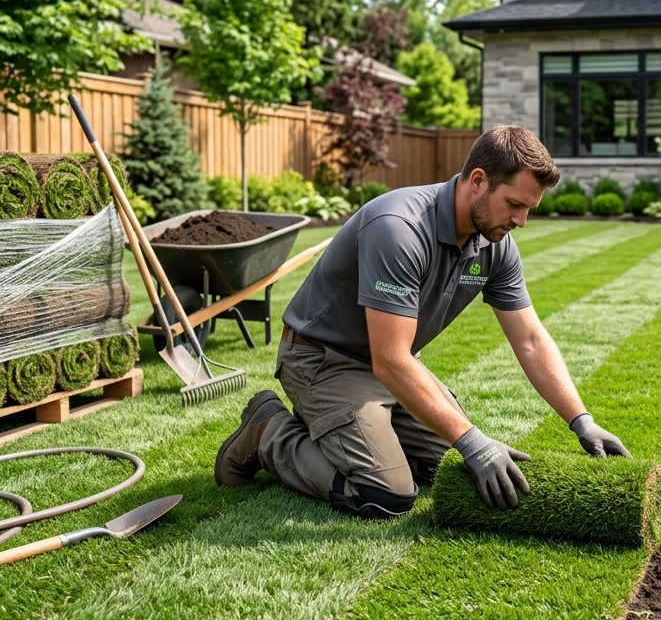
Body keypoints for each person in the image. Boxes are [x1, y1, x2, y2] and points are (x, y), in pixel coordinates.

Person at [214, 125, 630, 519]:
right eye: (515, 205)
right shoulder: (399, 228)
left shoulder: (495, 245)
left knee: (449, 470)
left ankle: (346, 427)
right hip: (323, 361)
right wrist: (472, 441)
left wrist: (581, 420)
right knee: (387, 494)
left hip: (393, 368)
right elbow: (390, 360)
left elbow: (531, 341)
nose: (520, 221)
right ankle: (269, 430)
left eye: (529, 210)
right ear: (479, 180)